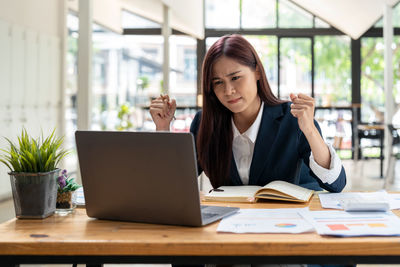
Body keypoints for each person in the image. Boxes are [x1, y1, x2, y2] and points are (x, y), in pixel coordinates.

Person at [150, 34, 346, 193]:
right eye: (218, 82)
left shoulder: (291, 118)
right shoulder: (205, 122)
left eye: (235, 77)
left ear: (257, 72)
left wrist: (310, 130)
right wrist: (162, 129)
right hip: (230, 225)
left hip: (289, 221)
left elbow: (336, 184)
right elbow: (173, 185)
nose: (228, 90)